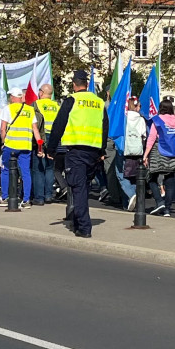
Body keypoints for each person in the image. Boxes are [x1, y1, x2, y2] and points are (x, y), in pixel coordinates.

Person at [47, 70, 107, 237]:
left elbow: (58, 125)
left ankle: (83, 227)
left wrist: (51, 149)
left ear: (74, 84)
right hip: (93, 152)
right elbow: (105, 127)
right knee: (83, 188)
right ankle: (76, 219)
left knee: (78, 188)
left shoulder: (72, 100)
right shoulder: (99, 102)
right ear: (86, 84)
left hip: (76, 152)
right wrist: (101, 150)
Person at [0, 88, 42, 208]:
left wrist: (3, 141)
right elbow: (35, 129)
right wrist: (40, 146)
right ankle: (26, 200)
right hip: (26, 146)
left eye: (10, 96)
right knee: (25, 172)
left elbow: (2, 129)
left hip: (11, 145)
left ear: (12, 97)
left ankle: (5, 197)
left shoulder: (8, 109)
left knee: (5, 170)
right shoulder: (30, 110)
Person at [143, 98, 175, 217]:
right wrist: (174, 147)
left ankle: (159, 201)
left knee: (151, 177)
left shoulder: (157, 120)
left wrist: (146, 155)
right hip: (173, 153)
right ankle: (167, 209)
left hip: (158, 151)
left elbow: (151, 138)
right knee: (170, 181)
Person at [32, 84, 60, 206]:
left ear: (41, 93)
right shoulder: (57, 105)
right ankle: (48, 195)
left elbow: (35, 123)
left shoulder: (36, 104)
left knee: (39, 168)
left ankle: (39, 197)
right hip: (54, 138)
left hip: (42, 138)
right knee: (50, 168)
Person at [121, 97, 147, 211]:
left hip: (126, 149)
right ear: (136, 106)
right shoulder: (141, 119)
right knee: (136, 175)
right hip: (138, 150)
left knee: (122, 174)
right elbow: (143, 135)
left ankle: (131, 195)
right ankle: (136, 199)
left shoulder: (124, 118)